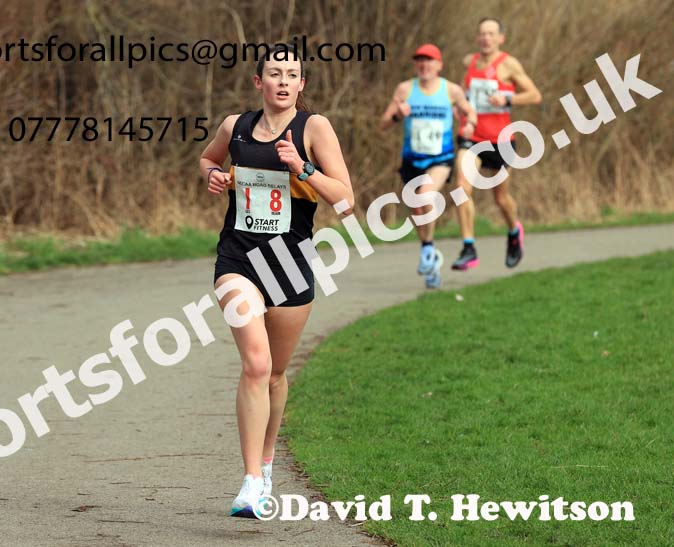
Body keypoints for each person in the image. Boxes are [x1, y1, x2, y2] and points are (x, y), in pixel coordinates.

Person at [199, 44, 354, 518]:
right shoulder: (235, 126)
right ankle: (249, 484)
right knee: (257, 365)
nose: (283, 81)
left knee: (277, 374)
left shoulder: (315, 129)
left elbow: (346, 200)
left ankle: (266, 466)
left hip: (290, 265)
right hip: (239, 260)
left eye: (292, 74)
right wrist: (214, 177)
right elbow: (206, 161)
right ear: (257, 81)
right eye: (274, 73)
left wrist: (302, 167)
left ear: (301, 85)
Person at [379, 44, 477, 288]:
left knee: (425, 197)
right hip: (412, 160)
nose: (425, 65)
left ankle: (428, 250)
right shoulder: (405, 89)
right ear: (416, 65)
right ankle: (428, 250)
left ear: (439, 65)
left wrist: (469, 125)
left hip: (440, 158)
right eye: (420, 61)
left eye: (430, 61)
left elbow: (470, 111)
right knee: (416, 209)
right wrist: (397, 115)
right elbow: (383, 123)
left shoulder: (451, 90)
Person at [451, 17, 542, 271]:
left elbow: (535, 95)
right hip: (471, 136)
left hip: (501, 140)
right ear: (477, 38)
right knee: (461, 187)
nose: (486, 38)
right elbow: (462, 92)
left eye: (491, 34)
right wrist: (460, 109)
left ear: (501, 38)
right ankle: (468, 247)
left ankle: (514, 231)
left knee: (500, 198)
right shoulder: (469, 62)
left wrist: (507, 98)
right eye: (482, 34)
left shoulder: (509, 64)